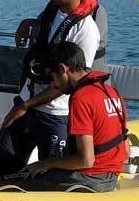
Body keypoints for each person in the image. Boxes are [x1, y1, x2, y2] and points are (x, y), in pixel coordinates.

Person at [0, 0, 107, 178]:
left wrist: (25, 105)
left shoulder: (86, 30)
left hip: (56, 115)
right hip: (27, 103)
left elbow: (70, 82)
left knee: (46, 176)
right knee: (0, 165)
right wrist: (28, 23)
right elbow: (47, 34)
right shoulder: (51, 11)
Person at [10, 41, 129, 192]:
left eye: (52, 77)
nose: (54, 85)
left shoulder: (81, 98)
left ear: (62, 69)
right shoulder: (111, 91)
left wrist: (47, 163)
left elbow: (86, 160)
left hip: (89, 179)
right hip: (110, 177)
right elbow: (125, 148)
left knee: (7, 187)